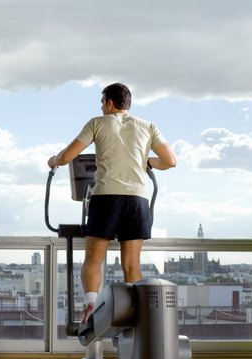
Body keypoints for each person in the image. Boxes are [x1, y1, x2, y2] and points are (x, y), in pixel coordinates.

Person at [47, 82, 177, 331]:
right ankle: (136, 321)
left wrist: (53, 160)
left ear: (108, 102)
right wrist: (147, 162)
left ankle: (91, 304)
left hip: (106, 197)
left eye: (101, 103)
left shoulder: (97, 122)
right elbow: (170, 161)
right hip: (137, 199)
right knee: (132, 265)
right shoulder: (148, 126)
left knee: (94, 258)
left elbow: (67, 156)